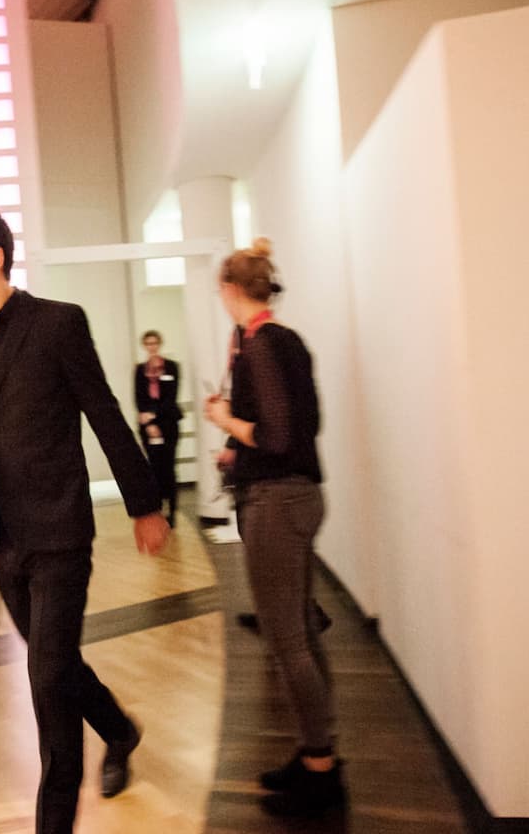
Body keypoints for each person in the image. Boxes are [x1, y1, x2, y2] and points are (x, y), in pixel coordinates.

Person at [0, 204, 171, 834]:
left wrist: (144, 504)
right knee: (53, 662)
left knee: (48, 681)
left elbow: (105, 412)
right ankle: (119, 730)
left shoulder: (59, 325)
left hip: (61, 532)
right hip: (0, 540)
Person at [202, 237, 345, 817]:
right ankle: (318, 754)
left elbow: (279, 435)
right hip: (299, 496)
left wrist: (225, 421)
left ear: (229, 291)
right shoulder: (285, 342)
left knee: (287, 641)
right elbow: (302, 426)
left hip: (277, 506)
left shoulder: (260, 345)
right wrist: (240, 451)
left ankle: (320, 770)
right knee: (301, 636)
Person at [132, 330, 183, 527]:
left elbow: (171, 398)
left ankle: (173, 510)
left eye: (154, 343)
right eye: (148, 343)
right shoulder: (139, 370)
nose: (152, 347)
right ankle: (158, 508)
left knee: (169, 466)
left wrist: (154, 416)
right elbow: (139, 398)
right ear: (144, 346)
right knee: (154, 468)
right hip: (148, 426)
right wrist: (149, 423)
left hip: (168, 423)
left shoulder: (172, 367)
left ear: (159, 344)